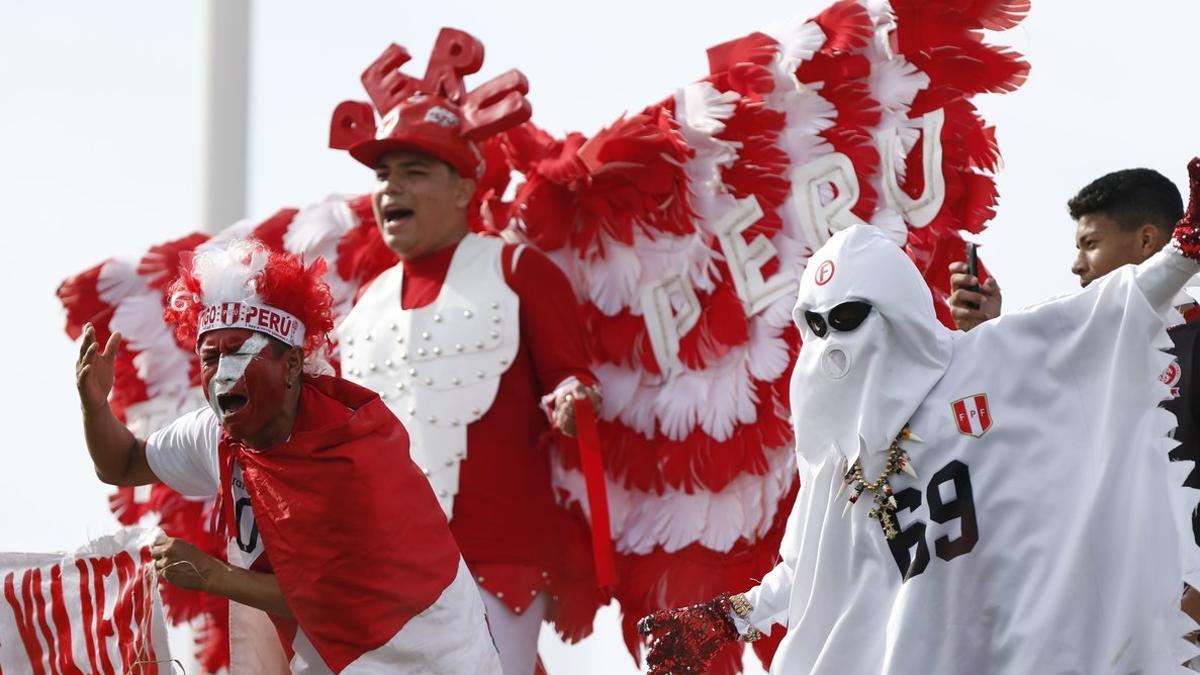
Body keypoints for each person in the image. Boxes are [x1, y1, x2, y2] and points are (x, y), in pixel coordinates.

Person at [638, 158, 1200, 674]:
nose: (833, 343)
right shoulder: (841, 464)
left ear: (897, 311)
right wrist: (725, 619)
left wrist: (1182, 253)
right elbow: (802, 571)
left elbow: (1099, 312)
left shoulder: (986, 358)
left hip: (1024, 644)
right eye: (817, 325)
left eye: (850, 316)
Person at [75, 239, 501, 674]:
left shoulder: (352, 450)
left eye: (240, 351)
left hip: (434, 660)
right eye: (210, 357)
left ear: (293, 364)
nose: (222, 374)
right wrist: (95, 408)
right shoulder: (217, 432)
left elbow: (333, 595)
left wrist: (211, 576)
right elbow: (123, 464)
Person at [329, 30, 603, 675]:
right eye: (383, 174)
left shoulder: (519, 270)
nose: (391, 187)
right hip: (381, 572)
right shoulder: (362, 305)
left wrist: (572, 399)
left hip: (498, 560)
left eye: (414, 170)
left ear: (462, 188)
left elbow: (573, 375)